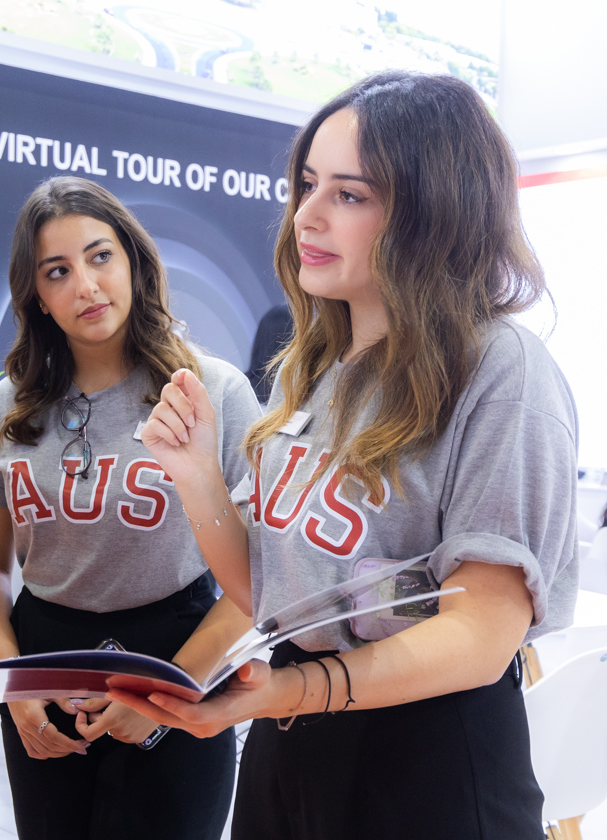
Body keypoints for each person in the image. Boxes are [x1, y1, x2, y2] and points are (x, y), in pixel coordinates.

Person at [116, 71, 578, 840]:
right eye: (306, 185)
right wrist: (196, 473)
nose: (308, 215)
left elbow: (481, 634)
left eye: (350, 195)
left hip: (425, 766)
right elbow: (273, 591)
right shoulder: (313, 366)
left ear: (434, 213)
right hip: (291, 750)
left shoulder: (503, 370)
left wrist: (292, 692)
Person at [0, 176, 260, 840]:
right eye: (58, 271)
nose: (87, 286)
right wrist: (16, 688)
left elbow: (259, 572)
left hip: (178, 654)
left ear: (134, 260)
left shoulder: (210, 390)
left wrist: (175, 690)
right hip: (46, 667)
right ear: (37, 295)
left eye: (101, 257)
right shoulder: (8, 409)